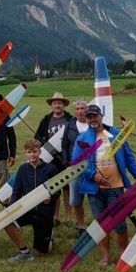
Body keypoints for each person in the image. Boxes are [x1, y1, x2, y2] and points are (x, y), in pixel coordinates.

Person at [72, 104, 136, 265]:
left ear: (101, 116)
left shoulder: (115, 135)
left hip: (116, 186)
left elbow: (129, 158)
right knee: (100, 223)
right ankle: (106, 256)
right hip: (94, 188)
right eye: (89, 117)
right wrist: (93, 175)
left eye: (95, 116)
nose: (92, 119)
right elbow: (76, 163)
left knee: (119, 222)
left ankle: (124, 254)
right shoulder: (82, 139)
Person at [6, 139, 59, 262]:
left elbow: (57, 192)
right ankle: (24, 251)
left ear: (40, 152)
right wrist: (12, 208)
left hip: (44, 213)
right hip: (27, 210)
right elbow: (16, 191)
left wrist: (50, 198)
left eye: (35, 151)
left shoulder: (51, 169)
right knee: (6, 221)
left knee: (44, 252)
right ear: (25, 153)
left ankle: (50, 236)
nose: (32, 155)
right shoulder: (22, 169)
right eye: (29, 152)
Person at [35, 92, 72, 226]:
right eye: (55, 103)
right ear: (52, 105)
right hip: (50, 159)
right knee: (54, 188)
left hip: (66, 158)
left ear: (63, 105)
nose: (57, 105)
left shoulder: (70, 119)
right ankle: (55, 216)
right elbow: (37, 137)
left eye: (59, 103)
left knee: (67, 188)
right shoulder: (46, 120)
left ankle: (68, 216)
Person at [62, 98, 89, 230]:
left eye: (82, 108)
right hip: (74, 167)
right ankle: (81, 225)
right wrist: (67, 163)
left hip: (92, 166)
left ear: (87, 110)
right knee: (76, 201)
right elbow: (64, 145)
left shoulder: (93, 124)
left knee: (95, 198)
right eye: (77, 109)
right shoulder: (70, 125)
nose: (80, 111)